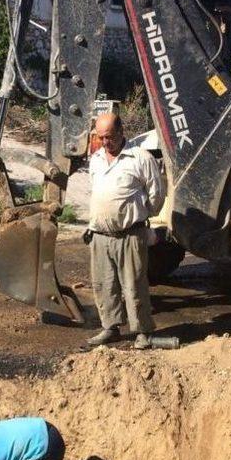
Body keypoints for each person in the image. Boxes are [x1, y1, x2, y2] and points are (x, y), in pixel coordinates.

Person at [87, 112, 165, 350]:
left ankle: (142, 331)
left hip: (130, 234)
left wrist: (143, 215)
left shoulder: (140, 158)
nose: (105, 142)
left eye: (109, 136)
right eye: (100, 137)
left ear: (121, 132)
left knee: (134, 285)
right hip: (100, 234)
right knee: (104, 285)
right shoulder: (96, 159)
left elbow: (157, 194)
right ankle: (110, 328)